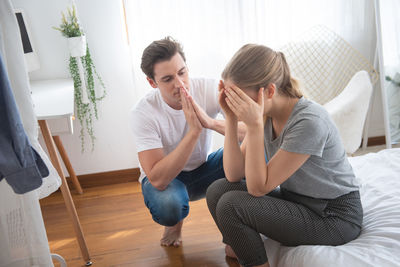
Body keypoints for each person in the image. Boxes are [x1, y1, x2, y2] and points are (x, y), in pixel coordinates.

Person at [206, 44, 363, 267]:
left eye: (240, 98)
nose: (237, 104)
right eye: (232, 96)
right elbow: (233, 174)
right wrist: (230, 118)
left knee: (231, 205)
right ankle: (239, 246)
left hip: (334, 217)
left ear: (269, 91)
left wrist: (253, 127)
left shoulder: (309, 122)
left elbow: (258, 188)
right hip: (298, 200)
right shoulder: (267, 112)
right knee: (218, 190)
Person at [130, 37, 245, 247]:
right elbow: (157, 179)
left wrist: (210, 123)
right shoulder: (143, 112)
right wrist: (194, 132)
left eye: (182, 72)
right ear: (152, 82)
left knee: (253, 153)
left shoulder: (209, 88)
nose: (179, 84)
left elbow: (255, 130)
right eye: (167, 79)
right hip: (168, 181)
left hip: (204, 170)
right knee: (169, 206)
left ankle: (236, 234)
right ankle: (174, 224)